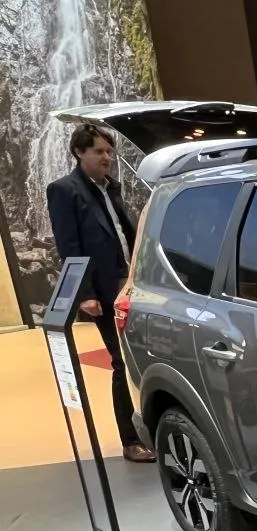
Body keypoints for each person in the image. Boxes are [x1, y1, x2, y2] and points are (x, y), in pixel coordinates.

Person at [46, 124, 153, 463]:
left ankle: (150, 427)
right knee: (122, 361)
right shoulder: (64, 190)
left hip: (133, 284)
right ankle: (130, 440)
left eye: (109, 151)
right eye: (99, 151)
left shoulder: (112, 188)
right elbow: (69, 246)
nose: (107, 157)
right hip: (105, 291)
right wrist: (85, 293)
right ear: (79, 152)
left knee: (143, 358)